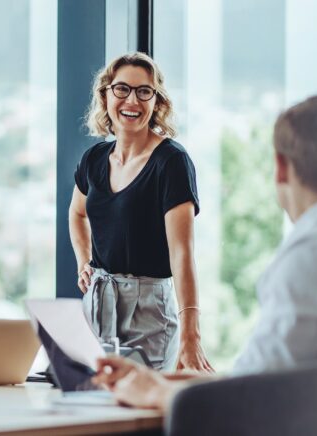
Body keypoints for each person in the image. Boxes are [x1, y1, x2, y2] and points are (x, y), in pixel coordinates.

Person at [93, 96, 317, 410]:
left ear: (280, 168)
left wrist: (152, 391)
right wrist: (166, 381)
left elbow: (250, 399)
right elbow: (267, 377)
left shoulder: (316, 252)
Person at [69, 52, 211, 372]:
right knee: (95, 409)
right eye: (122, 89)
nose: (132, 100)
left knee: (141, 414)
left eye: (143, 91)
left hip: (149, 311)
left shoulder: (171, 162)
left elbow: (182, 253)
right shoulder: (93, 159)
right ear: (105, 95)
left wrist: (192, 335)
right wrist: (83, 261)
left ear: (156, 102)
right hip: (98, 303)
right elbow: (77, 214)